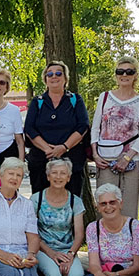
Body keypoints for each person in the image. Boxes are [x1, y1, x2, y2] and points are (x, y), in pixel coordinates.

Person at [30, 159, 85, 276]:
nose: (58, 177)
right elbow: (33, 233)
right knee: (53, 275)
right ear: (47, 176)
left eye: (63, 173)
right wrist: (52, 254)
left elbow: (79, 234)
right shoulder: (36, 199)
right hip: (43, 249)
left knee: (77, 275)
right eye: (55, 173)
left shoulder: (75, 201)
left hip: (68, 250)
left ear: (69, 177)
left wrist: (70, 254)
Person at [90, 56, 139, 218]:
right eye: (120, 71)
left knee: (129, 207)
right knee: (106, 203)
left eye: (129, 71)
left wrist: (127, 157)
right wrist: (95, 155)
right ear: (116, 75)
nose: (124, 75)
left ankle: (131, 240)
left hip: (132, 159)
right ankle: (104, 241)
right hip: (106, 158)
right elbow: (95, 128)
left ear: (135, 75)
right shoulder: (105, 98)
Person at [23, 61, 89, 196]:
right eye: (50, 74)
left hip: (71, 161)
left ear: (65, 78)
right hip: (41, 161)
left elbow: (83, 126)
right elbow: (29, 129)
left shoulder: (75, 100)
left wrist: (64, 147)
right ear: (45, 80)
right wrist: (48, 150)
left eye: (58, 73)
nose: (54, 76)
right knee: (41, 202)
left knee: (72, 202)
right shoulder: (37, 101)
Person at [0, 68, 25, 165]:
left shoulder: (14, 110)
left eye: (2, 82)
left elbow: (19, 140)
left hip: (9, 156)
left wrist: (21, 163)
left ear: (6, 87)